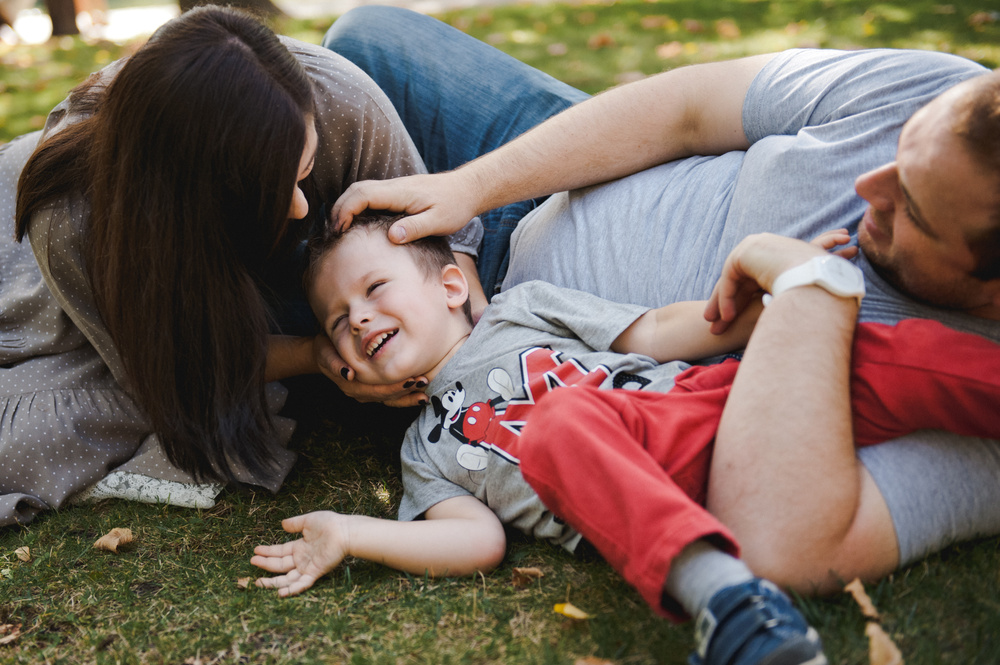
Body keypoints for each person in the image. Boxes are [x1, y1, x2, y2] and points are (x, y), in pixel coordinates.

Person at [319, 7, 1000, 592]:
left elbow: (787, 546)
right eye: (899, 154)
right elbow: (688, 110)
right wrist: (471, 191)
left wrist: (805, 288)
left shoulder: (971, 386)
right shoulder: (946, 94)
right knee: (361, 43)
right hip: (564, 171)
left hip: (502, 355)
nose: (868, 187)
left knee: (286, 280)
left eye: (908, 203)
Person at [251, 213, 1000, 665]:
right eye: (336, 320)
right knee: (560, 427)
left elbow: (658, 332)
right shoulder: (425, 450)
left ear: (451, 285)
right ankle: (730, 601)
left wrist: (779, 303)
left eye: (373, 289)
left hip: (704, 408)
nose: (357, 318)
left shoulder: (525, 308)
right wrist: (356, 532)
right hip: (636, 497)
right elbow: (473, 543)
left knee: (875, 357)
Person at [0, 5, 484, 526]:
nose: (302, 209)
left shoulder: (341, 99)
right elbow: (178, 365)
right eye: (272, 194)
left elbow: (440, 246)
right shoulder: (70, 222)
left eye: (307, 170)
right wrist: (314, 355)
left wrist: (473, 347)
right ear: (187, 206)